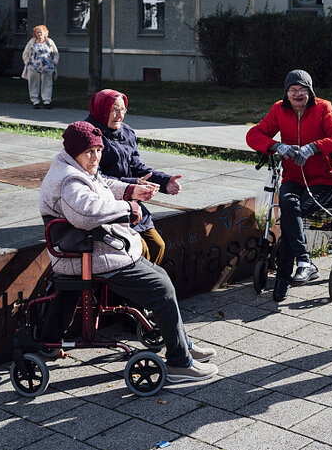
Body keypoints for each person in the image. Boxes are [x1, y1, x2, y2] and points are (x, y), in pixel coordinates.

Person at [39, 120, 218, 384]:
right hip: (88, 254)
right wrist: (128, 208)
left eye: (99, 150)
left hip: (95, 248)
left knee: (160, 277)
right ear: (75, 151)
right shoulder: (68, 179)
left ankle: (182, 345)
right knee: (161, 288)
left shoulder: (76, 167)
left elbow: (103, 184)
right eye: (90, 151)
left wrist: (130, 189)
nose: (96, 156)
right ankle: (180, 364)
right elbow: (86, 213)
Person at [246, 69, 332, 302]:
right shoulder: (278, 109)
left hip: (324, 180)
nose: (297, 94)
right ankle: (304, 262)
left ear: (310, 92)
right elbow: (253, 135)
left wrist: (314, 147)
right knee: (287, 202)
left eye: (302, 90)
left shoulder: (323, 108)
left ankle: (284, 278)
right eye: (293, 90)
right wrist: (277, 146)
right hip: (293, 178)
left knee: (290, 216)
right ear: (286, 93)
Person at [85, 89, 182, 265]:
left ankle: (149, 284)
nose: (119, 116)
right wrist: (132, 185)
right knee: (141, 248)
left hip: (131, 202)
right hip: (107, 204)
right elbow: (95, 177)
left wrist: (165, 181)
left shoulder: (126, 132)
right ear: (101, 109)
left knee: (157, 245)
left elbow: (136, 166)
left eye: (123, 110)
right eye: (114, 109)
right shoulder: (89, 135)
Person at [21, 25, 58, 108]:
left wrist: (54, 62)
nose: (39, 34)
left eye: (41, 32)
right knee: (33, 84)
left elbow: (56, 53)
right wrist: (28, 63)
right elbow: (25, 54)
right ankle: (35, 101)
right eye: (37, 32)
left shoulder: (49, 42)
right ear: (35, 34)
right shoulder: (31, 42)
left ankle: (46, 101)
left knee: (47, 84)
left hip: (47, 68)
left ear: (45, 33)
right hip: (34, 67)